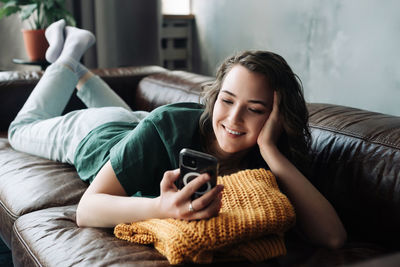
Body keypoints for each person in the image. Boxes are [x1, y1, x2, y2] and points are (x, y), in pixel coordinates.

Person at [8, 20, 347, 249]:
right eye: (227, 101)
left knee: (136, 120)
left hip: (138, 124)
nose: (234, 118)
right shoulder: (170, 124)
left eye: (255, 109)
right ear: (215, 97)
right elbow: (86, 210)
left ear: (275, 117)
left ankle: (79, 70)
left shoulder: (266, 154)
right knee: (19, 130)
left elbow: (333, 238)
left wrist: (272, 152)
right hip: (97, 134)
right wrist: (161, 207)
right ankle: (68, 58)